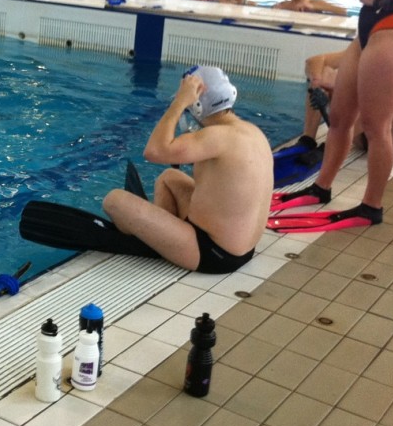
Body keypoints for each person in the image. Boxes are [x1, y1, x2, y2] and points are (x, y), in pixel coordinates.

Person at [272, 0, 393, 228]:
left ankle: (371, 206)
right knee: (340, 117)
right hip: (369, 27)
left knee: (376, 126)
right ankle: (322, 187)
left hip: (390, 33)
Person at [101, 65, 272, 273]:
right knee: (168, 177)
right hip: (243, 250)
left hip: (213, 253)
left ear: (198, 105)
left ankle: (155, 242)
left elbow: (153, 151)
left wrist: (179, 103)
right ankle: (163, 237)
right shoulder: (252, 131)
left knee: (114, 201)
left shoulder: (215, 136)